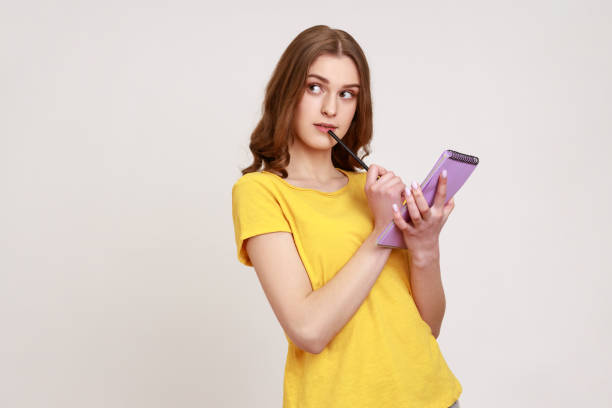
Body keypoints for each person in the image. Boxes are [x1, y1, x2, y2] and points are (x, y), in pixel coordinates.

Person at [231, 25, 461, 408]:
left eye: (347, 94)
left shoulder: (370, 192)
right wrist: (381, 232)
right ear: (287, 91)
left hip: (433, 397)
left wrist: (425, 246)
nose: (331, 110)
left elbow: (428, 328)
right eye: (315, 87)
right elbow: (309, 330)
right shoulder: (260, 193)